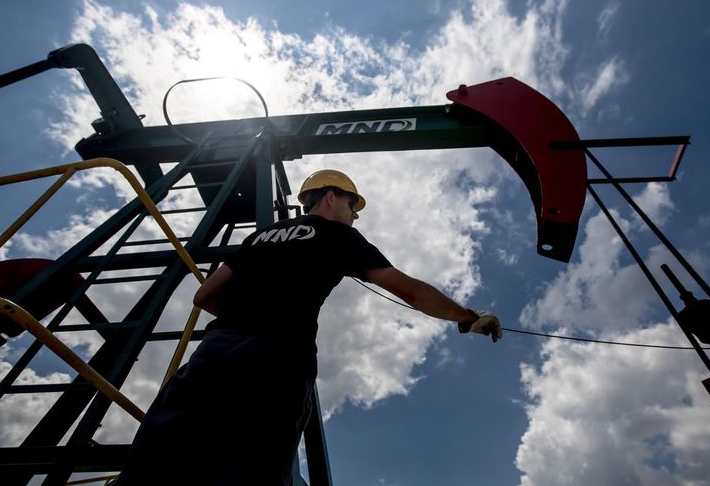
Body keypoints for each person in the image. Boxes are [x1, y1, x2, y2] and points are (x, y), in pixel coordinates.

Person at [114, 169, 502, 485]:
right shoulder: (338, 235)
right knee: (252, 469)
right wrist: (467, 317)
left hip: (214, 354)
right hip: (278, 359)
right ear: (331, 196)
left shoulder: (259, 236)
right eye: (353, 205)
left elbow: (203, 296)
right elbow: (412, 292)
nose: (355, 215)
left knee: (157, 459)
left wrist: (242, 318)